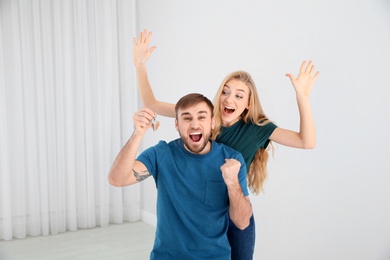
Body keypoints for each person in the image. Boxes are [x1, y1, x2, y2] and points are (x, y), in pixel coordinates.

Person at [133, 29, 320, 260]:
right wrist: (140, 65)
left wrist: (302, 97)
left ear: (248, 104)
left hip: (235, 213)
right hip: (204, 216)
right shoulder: (203, 115)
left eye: (239, 95)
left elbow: (306, 141)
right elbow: (151, 103)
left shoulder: (258, 128)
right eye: (225, 91)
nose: (229, 99)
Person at [108, 93, 253, 259]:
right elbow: (116, 179)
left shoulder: (232, 159)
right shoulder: (161, 154)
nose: (194, 124)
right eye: (187, 118)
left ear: (212, 122)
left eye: (201, 117)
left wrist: (233, 183)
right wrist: (137, 134)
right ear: (177, 124)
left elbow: (242, 223)